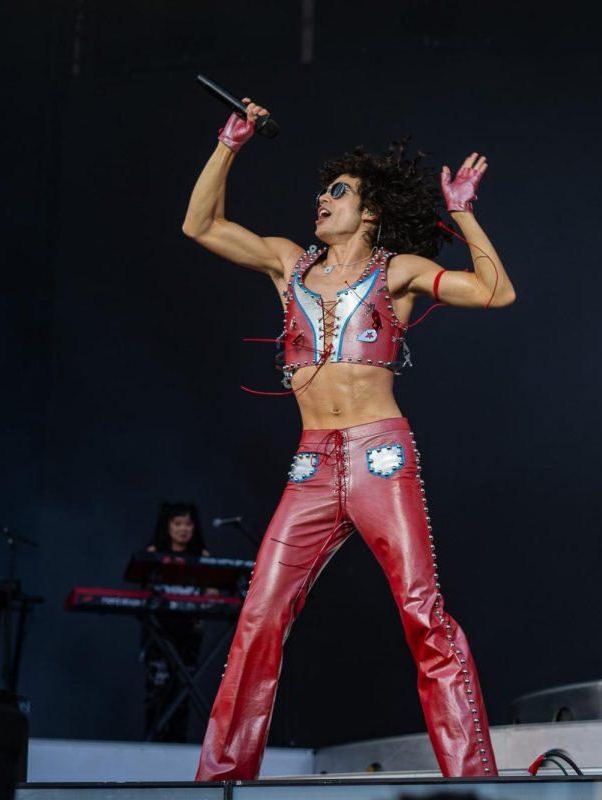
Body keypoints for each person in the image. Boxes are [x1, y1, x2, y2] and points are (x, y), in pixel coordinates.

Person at [181, 99, 515, 780]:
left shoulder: (398, 271)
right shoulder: (287, 265)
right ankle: (221, 783)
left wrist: (464, 213)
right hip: (310, 463)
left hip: (379, 454)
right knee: (259, 615)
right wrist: (229, 143)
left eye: (336, 192)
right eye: (320, 192)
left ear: (368, 212)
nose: (320, 200)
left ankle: (475, 784)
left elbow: (496, 293)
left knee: (424, 615)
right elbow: (200, 224)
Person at [141, 502, 210, 741]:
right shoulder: (154, 553)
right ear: (167, 526)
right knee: (157, 691)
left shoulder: (202, 557)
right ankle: (152, 744)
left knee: (184, 692)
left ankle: (177, 745)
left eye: (188, 524)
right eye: (178, 523)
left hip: (189, 633)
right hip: (159, 632)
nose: (183, 529)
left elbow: (214, 592)